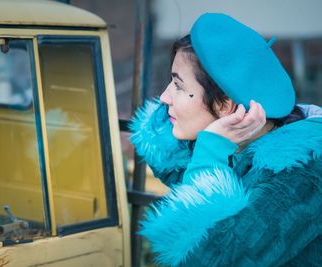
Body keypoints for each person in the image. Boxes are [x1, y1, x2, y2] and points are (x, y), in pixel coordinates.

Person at [130, 13, 322, 267]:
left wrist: (210, 154)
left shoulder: (302, 175)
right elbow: (160, 146)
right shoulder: (232, 146)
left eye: (177, 85)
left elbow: (205, 259)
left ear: (225, 105)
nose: (164, 96)